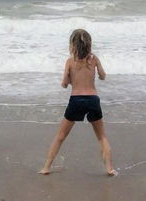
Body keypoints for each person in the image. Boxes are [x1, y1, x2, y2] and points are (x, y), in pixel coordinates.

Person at [39, 28, 117, 176]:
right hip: (93, 99)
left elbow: (64, 83)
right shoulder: (94, 59)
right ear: (89, 44)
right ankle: (109, 168)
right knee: (101, 137)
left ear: (72, 45)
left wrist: (68, 81)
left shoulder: (70, 61)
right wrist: (98, 75)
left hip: (76, 100)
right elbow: (103, 76)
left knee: (60, 136)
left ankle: (46, 167)